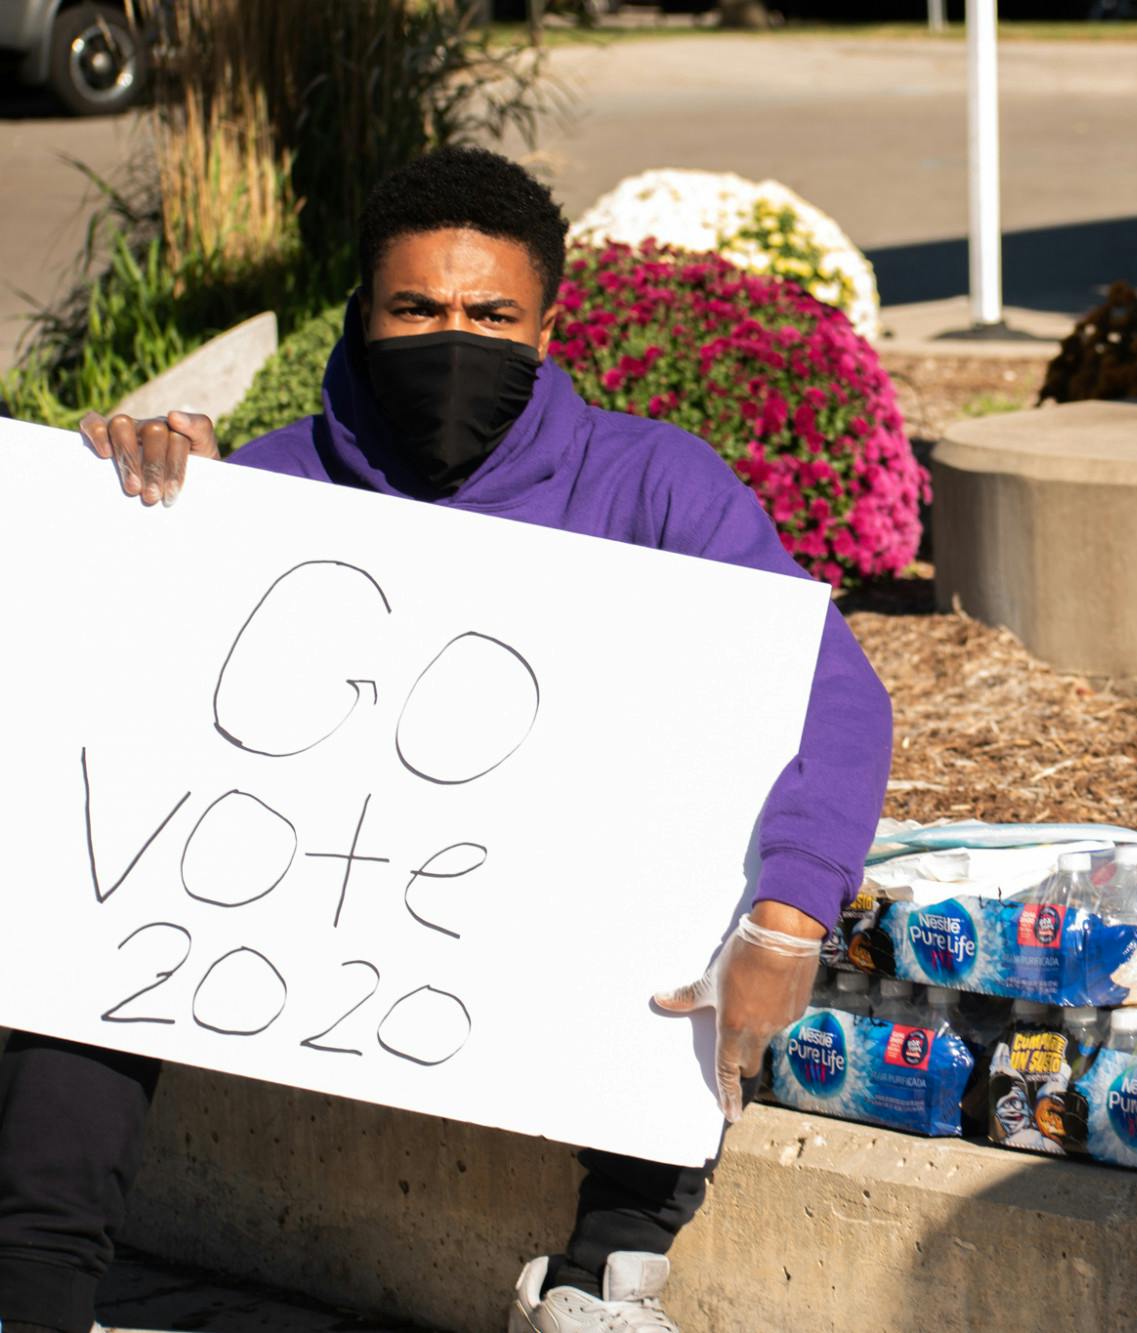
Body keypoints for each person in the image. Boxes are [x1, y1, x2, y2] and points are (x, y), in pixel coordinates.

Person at [0, 146, 893, 1333]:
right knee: (91, 917)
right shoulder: (264, 489)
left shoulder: (655, 483)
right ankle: (34, 1293)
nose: (451, 335)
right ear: (364, 312)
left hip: (549, 908)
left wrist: (791, 908)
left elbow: (832, 696)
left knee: (713, 864)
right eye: (415, 308)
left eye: (489, 312)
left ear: (545, 324)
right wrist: (151, 516)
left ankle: (602, 1278)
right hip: (280, 927)